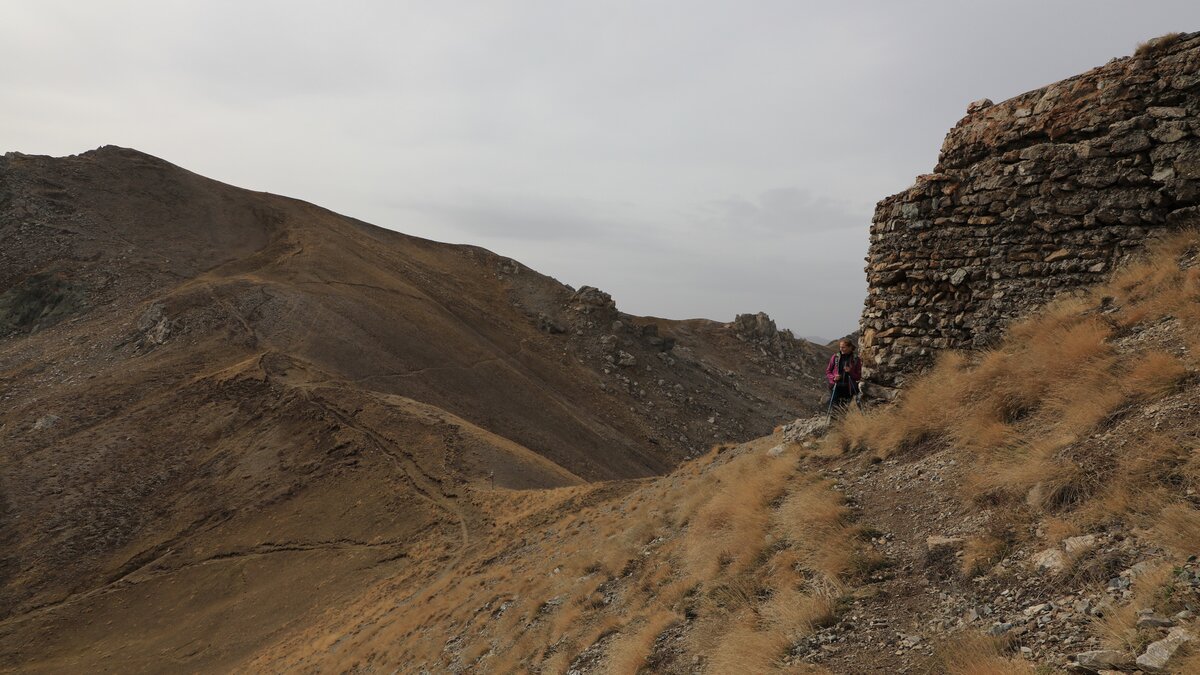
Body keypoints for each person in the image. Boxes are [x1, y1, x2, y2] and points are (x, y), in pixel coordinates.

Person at [825, 339, 862, 414]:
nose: (841, 349)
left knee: (844, 410)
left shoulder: (856, 359)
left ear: (850, 347)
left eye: (843, 347)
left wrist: (850, 372)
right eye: (840, 347)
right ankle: (832, 425)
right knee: (834, 409)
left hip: (848, 389)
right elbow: (828, 371)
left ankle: (840, 424)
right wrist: (834, 377)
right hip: (835, 386)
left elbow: (858, 376)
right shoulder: (835, 357)